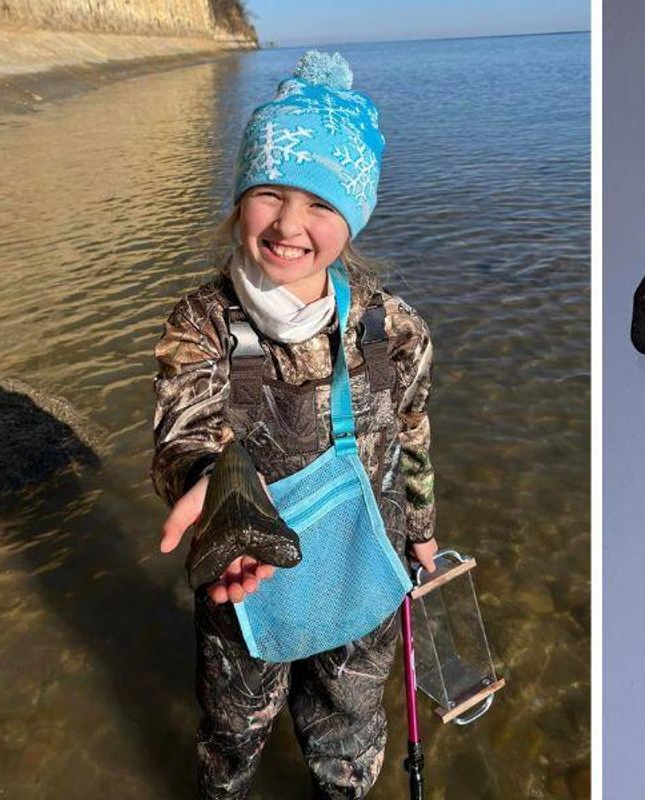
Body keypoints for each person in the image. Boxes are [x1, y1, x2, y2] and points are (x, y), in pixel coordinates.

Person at [148, 50, 438, 799]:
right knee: (233, 731)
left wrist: (424, 533)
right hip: (241, 577)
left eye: (320, 204)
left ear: (355, 214)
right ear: (240, 195)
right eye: (269, 193)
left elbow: (411, 431)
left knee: (348, 726)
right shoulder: (203, 323)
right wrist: (211, 487)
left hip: (363, 567)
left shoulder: (392, 328)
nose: (288, 224)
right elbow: (185, 432)